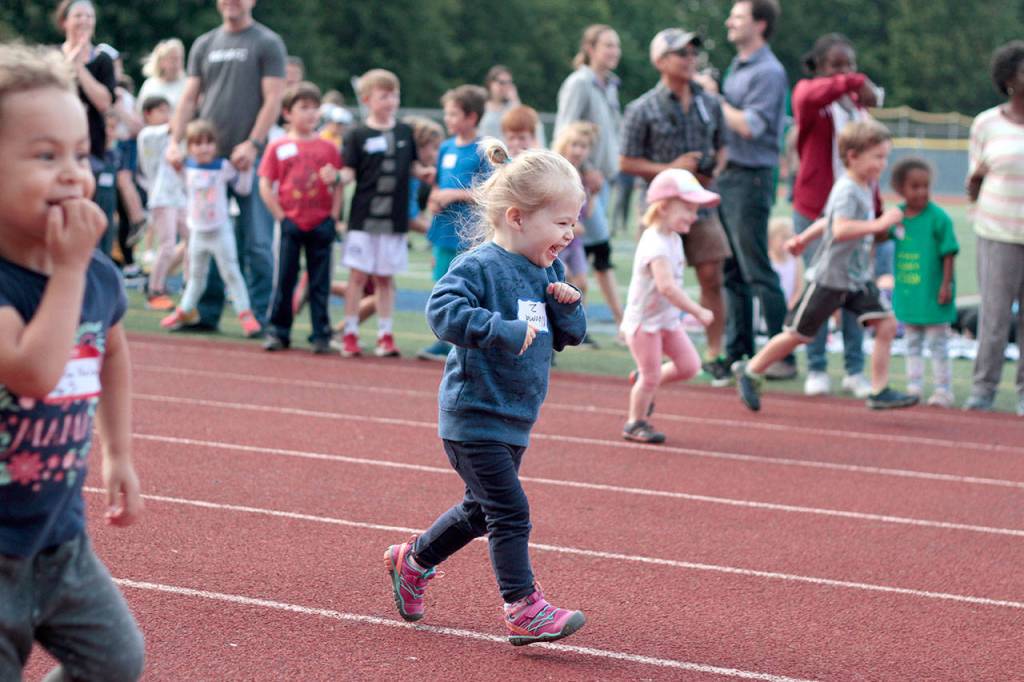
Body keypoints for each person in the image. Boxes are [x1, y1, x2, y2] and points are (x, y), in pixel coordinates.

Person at [385, 139, 587, 646]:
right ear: (518, 218)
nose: (571, 232)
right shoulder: (479, 266)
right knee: (510, 511)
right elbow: (442, 312)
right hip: (473, 414)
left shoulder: (548, 270)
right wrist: (498, 328)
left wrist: (567, 305)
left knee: (480, 510)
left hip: (514, 415)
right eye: (561, 222)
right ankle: (523, 607)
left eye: (573, 222)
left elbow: (571, 334)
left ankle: (413, 561)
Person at [0, 42, 144, 682]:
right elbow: (31, 371)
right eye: (45, 155)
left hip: (60, 540)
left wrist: (118, 453)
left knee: (116, 663)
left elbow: (111, 348)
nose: (72, 173)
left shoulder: (96, 275)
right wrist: (67, 270)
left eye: (81, 155)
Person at [733, 120, 918, 411]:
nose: (883, 164)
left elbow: (827, 220)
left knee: (886, 324)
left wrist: (803, 238)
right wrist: (880, 223)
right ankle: (751, 369)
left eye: (885, 157)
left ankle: (879, 389)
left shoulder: (863, 186)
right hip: (830, 278)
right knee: (799, 334)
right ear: (853, 156)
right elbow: (841, 228)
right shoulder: (847, 189)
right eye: (877, 157)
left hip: (856, 278)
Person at [620, 28, 732, 382]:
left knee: (712, 274)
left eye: (692, 53)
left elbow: (724, 147)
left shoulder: (710, 102)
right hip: (660, 208)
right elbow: (626, 161)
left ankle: (715, 353)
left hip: (700, 202)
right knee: (654, 279)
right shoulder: (641, 108)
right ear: (660, 61)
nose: (689, 59)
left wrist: (714, 169)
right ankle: (645, 353)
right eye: (681, 53)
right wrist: (671, 170)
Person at [167, 0, 287, 331]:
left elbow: (273, 98)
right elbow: (190, 98)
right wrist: (175, 143)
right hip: (209, 160)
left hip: (249, 159)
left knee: (258, 242)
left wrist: (254, 143)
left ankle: (261, 317)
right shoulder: (205, 43)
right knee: (207, 234)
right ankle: (206, 314)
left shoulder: (267, 42)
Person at [791, 33, 881, 397]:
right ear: (821, 68)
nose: (846, 73)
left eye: (851, 66)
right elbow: (813, 95)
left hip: (856, 216)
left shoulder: (859, 111)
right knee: (820, 292)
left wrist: (877, 211)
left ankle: (855, 369)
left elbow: (870, 167)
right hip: (816, 211)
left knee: (853, 290)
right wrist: (858, 81)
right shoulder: (810, 98)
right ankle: (815, 366)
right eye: (837, 66)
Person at [712, 0, 793, 379]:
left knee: (756, 267)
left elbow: (751, 126)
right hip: (731, 176)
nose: (730, 21)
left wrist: (714, 98)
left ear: (760, 25)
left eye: (738, 17)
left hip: (751, 176)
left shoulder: (768, 71)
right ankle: (738, 352)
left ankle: (780, 355)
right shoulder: (739, 66)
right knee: (732, 269)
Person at [336, 70, 434, 358]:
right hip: (363, 218)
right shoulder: (357, 134)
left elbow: (412, 166)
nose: (391, 101)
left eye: (394, 94)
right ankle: (350, 333)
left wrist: (425, 173)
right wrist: (336, 177)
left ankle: (385, 335)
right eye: (384, 95)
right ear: (367, 100)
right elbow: (349, 172)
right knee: (357, 276)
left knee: (385, 278)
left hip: (394, 219)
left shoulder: (404, 132)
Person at [621, 170, 718, 443]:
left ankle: (643, 379)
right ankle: (635, 422)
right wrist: (698, 311)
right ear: (663, 206)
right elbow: (666, 287)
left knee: (689, 365)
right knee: (651, 377)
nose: (694, 216)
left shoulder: (673, 238)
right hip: (644, 324)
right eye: (687, 208)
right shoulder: (656, 243)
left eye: (695, 209)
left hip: (665, 320)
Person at [259, 81, 342, 354]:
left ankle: (320, 333)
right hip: (291, 222)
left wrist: (333, 215)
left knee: (320, 283)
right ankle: (278, 331)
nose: (310, 114)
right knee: (285, 279)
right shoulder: (278, 146)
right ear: (287, 113)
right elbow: (265, 183)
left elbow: (337, 183)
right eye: (303, 108)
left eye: (314, 108)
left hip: (321, 222)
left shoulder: (328, 148)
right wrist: (281, 216)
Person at [964, 41, 1024, 416]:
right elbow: (973, 184)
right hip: (997, 232)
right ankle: (983, 388)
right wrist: (978, 184)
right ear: (1008, 80)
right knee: (995, 315)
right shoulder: (986, 124)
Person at [160, 120, 261, 337]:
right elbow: (175, 182)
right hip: (198, 231)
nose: (203, 148)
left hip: (220, 230)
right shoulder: (187, 167)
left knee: (231, 272)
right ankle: (185, 309)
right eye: (197, 143)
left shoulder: (222, 167)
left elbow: (243, 189)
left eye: (208, 143)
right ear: (190, 147)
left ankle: (245, 314)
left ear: (215, 145)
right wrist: (173, 155)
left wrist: (247, 169)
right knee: (196, 275)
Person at [555, 24, 625, 330]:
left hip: (602, 182)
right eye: (607, 45)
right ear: (590, 49)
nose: (614, 51)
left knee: (590, 252)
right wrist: (583, 173)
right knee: (595, 251)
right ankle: (619, 321)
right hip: (584, 182)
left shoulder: (609, 85)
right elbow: (565, 131)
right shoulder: (580, 83)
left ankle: (572, 319)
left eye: (616, 46)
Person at [417, 85, 489, 361]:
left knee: (467, 288)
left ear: (471, 117)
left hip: (469, 233)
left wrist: (454, 194)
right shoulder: (446, 146)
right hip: (443, 230)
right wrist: (435, 198)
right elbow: (437, 184)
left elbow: (490, 191)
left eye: (453, 114)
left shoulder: (484, 149)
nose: (447, 119)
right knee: (442, 286)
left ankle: (463, 342)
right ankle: (443, 339)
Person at [888, 158, 958, 407]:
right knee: (912, 343)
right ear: (900, 189)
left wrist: (945, 285)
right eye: (914, 187)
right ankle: (913, 386)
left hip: (932, 295)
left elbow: (949, 253)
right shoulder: (897, 217)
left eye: (925, 186)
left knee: (938, 345)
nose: (921, 192)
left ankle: (942, 390)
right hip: (909, 295)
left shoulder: (939, 218)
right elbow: (878, 235)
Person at [136, 95, 188, 311]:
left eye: (168, 111)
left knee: (193, 240)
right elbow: (173, 129)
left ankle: (186, 285)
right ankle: (155, 290)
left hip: (178, 195)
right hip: (161, 196)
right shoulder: (148, 134)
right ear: (148, 114)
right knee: (166, 244)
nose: (167, 116)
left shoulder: (170, 137)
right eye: (161, 111)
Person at [55, 0, 115, 161]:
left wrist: (79, 67)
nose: (84, 20)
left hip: (91, 147)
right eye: (78, 16)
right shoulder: (52, 56)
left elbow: (104, 103)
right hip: (56, 138)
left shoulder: (104, 60)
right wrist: (69, 63)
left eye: (89, 16)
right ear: (64, 22)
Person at [551, 122, 595, 322]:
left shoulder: (585, 176)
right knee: (561, 280)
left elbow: (588, 212)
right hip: (556, 240)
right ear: (564, 145)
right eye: (574, 144)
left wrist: (594, 193)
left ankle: (576, 323)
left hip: (574, 241)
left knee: (582, 283)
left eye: (583, 146)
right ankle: (555, 322)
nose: (578, 150)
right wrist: (569, 224)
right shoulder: (559, 172)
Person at [479, 65, 546, 146]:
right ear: (490, 83)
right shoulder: (482, 106)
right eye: (502, 82)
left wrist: (515, 100)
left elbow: (523, 124)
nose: (506, 86)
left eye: (509, 83)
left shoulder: (513, 106)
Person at [136, 38, 187, 113]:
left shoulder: (188, 84)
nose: (177, 63)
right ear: (161, 61)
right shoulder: (150, 85)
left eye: (180, 59)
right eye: (173, 59)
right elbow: (140, 112)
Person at [768, 216, 802, 310]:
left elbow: (798, 287)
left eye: (789, 237)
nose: (787, 241)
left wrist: (791, 305)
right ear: (771, 240)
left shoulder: (795, 259)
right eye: (783, 237)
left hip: (789, 308)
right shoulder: (767, 260)